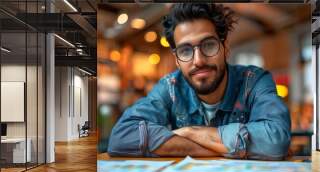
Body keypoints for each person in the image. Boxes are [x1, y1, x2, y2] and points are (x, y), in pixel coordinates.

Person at [108, 3, 291, 160]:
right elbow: (121, 138)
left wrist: (190, 132)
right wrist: (215, 149)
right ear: (177, 60)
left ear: (225, 47)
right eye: (186, 51)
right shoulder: (170, 88)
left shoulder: (254, 81)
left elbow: (275, 141)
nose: (198, 61)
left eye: (209, 45)